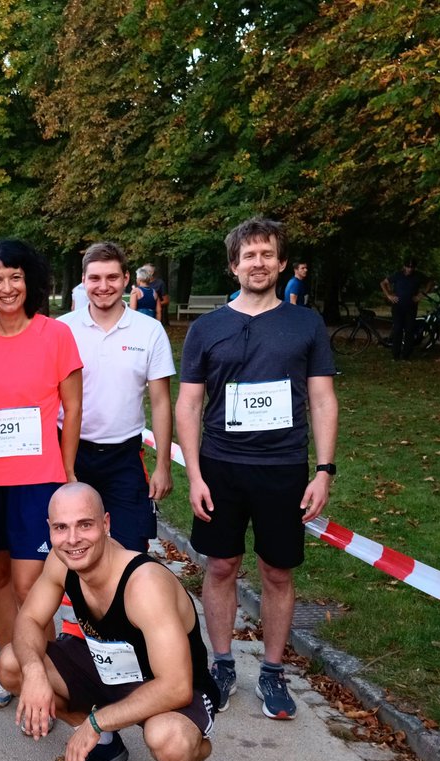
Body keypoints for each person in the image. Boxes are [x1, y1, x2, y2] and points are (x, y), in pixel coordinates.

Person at [175, 216, 338, 721]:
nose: (259, 263)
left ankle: (272, 671)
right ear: (234, 265)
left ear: (282, 262)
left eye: (268, 254)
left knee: (277, 570)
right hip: (222, 466)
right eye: (249, 255)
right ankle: (221, 664)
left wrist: (324, 470)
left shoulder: (305, 323)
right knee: (221, 565)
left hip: (284, 466)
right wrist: (195, 474)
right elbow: (187, 405)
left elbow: (323, 399)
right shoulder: (207, 328)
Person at [0, 483, 218, 761]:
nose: (72, 539)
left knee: (170, 742)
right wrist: (35, 672)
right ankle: (107, 747)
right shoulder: (61, 561)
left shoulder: (143, 585)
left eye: (84, 525)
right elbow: (29, 619)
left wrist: (95, 722)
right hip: (107, 670)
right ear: (50, 530)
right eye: (61, 528)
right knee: (12, 665)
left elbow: (176, 686)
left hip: (167, 686)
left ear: (106, 524)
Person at [0, 239, 83, 709]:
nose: (6, 287)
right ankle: (8, 664)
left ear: (29, 281)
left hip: (39, 481)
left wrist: (68, 470)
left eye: (15, 276)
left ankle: (46, 673)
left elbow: (74, 410)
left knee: (32, 584)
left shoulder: (56, 335)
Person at [59, 243, 173, 552]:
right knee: (72, 550)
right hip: (68, 452)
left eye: (112, 277)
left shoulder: (149, 331)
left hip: (123, 456)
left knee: (130, 550)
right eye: (95, 278)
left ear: (126, 279)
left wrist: (163, 465)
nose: (103, 286)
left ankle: (122, 602)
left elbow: (162, 401)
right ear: (83, 281)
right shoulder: (62, 329)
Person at [380, 258, 430, 361]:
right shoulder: (398, 275)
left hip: (411, 307)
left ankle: (406, 355)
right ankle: (396, 355)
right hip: (398, 306)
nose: (410, 269)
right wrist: (389, 295)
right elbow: (383, 283)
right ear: (404, 266)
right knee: (397, 329)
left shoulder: (418, 275)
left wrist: (421, 295)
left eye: (412, 267)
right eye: (408, 267)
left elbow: (430, 282)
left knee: (409, 330)